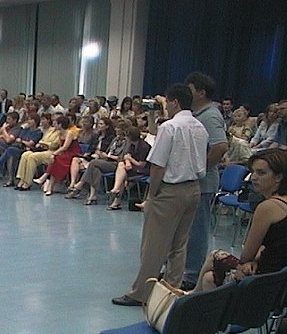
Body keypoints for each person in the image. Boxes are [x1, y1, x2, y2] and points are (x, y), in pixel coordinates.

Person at [112, 83, 208, 306]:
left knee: (153, 246)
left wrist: (152, 195)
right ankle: (169, 291)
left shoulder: (170, 127)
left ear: (174, 102)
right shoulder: (200, 127)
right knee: (179, 244)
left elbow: (158, 165)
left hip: (170, 190)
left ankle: (141, 293)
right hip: (193, 188)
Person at [196, 149, 287, 290]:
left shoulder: (267, 207)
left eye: (261, 173)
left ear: (278, 177)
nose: (253, 178)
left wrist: (251, 261)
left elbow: (246, 255)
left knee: (215, 256)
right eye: (253, 172)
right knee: (209, 278)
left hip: (263, 279)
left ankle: (191, 295)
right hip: (278, 278)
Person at [181, 72, 229, 290]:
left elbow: (220, 146)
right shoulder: (195, 113)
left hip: (203, 182)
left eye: (190, 89)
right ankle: (183, 269)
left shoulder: (210, 115)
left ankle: (192, 275)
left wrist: (201, 169)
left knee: (197, 230)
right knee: (187, 229)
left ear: (201, 92)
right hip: (192, 181)